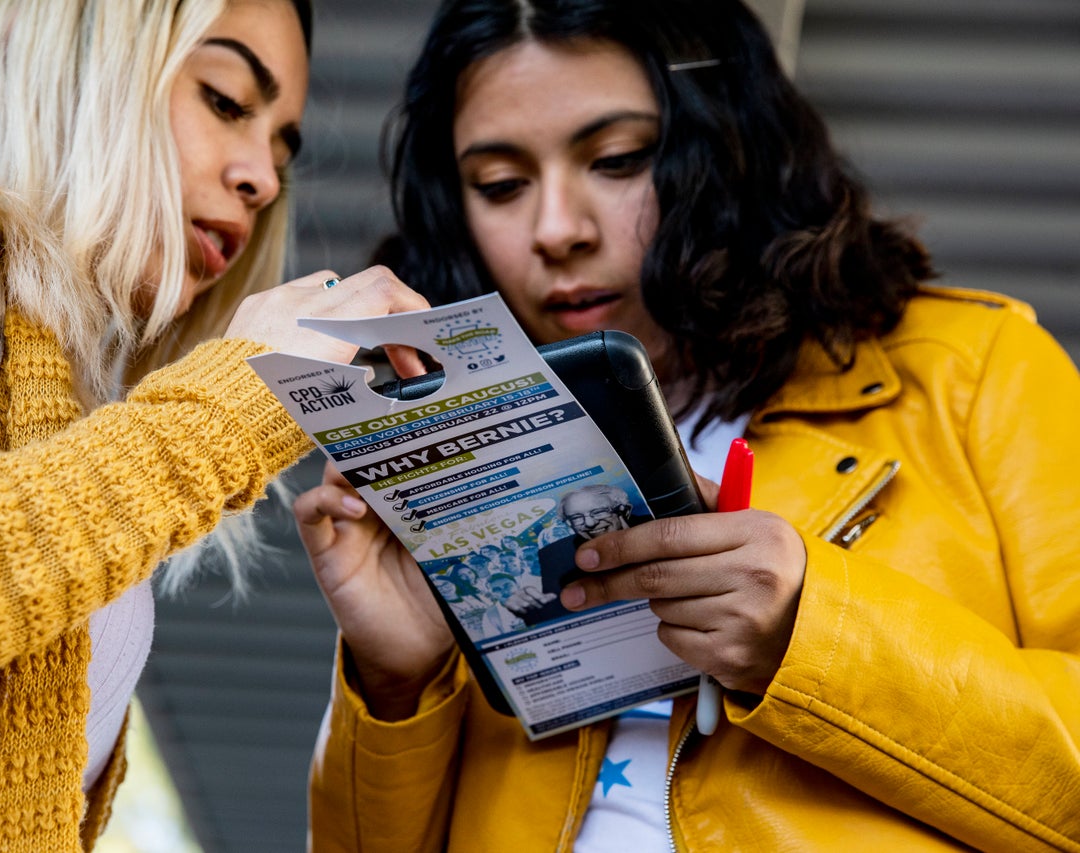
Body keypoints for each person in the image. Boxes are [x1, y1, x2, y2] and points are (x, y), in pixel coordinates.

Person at [294, 0, 1080, 850]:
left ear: (732, 147)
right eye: (501, 185)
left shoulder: (975, 367)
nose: (558, 229)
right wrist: (396, 681)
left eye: (620, 159)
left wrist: (810, 635)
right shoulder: (460, 472)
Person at [0, 0, 429, 849]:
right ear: (75, 55)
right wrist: (216, 422)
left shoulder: (67, 404)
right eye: (225, 100)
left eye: (281, 145)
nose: (264, 178)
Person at [518, 484, 651, 625]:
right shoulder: (554, 555)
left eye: (599, 512)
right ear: (569, 524)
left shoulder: (655, 525)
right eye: (576, 517)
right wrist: (526, 606)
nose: (589, 523)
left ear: (625, 510)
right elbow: (553, 610)